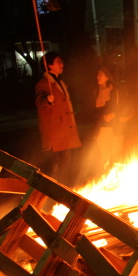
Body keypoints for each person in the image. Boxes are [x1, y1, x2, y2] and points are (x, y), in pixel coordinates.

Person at [35, 51, 81, 185]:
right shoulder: (44, 84)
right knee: (55, 168)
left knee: (66, 167)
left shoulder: (60, 82)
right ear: (49, 65)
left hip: (66, 133)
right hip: (55, 134)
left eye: (62, 62)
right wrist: (47, 101)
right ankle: (52, 195)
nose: (62, 64)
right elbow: (40, 100)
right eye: (58, 62)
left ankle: (65, 191)